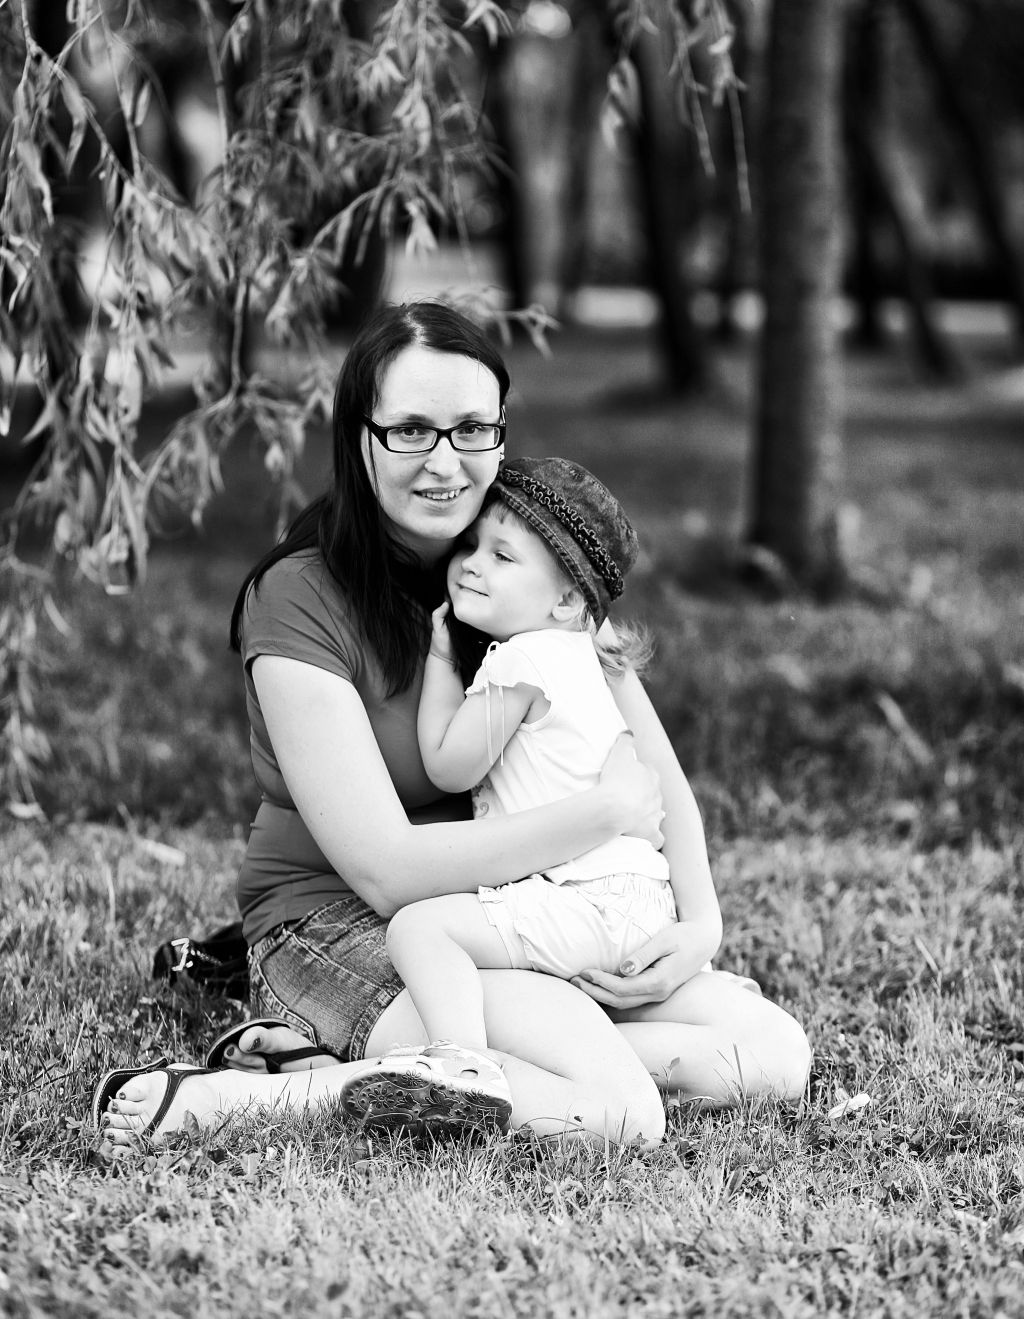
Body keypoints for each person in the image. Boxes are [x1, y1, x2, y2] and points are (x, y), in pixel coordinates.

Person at [95, 300, 810, 1156]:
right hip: (346, 925)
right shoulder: (297, 601)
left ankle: (432, 1064)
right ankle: (257, 1095)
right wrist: (595, 818)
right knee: (619, 1112)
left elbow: (661, 783)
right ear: (360, 439)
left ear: (501, 435)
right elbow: (388, 872)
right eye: (411, 431)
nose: (444, 461)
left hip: (519, 912)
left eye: (471, 428)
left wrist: (699, 928)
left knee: (772, 1057)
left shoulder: (526, 565)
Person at [387, 457, 703, 1058]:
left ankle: (459, 1061)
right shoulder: (586, 658)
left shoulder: (521, 661)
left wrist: (441, 659)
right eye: (471, 546)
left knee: (419, 929)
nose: (472, 564)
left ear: (566, 601)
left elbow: (448, 765)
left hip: (582, 898)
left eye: (502, 557)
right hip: (643, 904)